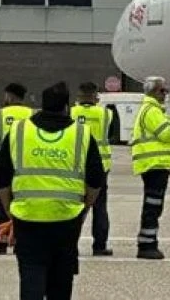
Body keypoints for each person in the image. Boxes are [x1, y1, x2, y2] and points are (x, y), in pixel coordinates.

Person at [0, 82, 104, 300]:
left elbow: (2, 179)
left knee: (30, 274)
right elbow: (95, 180)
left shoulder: (18, 130)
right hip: (67, 218)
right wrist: (84, 210)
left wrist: (11, 212)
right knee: (62, 279)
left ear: (41, 106)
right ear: (67, 107)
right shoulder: (81, 134)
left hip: (27, 218)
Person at [131, 76, 170, 260]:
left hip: (154, 164)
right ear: (154, 91)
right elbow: (167, 134)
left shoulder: (152, 110)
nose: (166, 94)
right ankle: (147, 245)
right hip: (154, 165)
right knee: (152, 206)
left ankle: (147, 241)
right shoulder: (151, 110)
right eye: (163, 90)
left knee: (154, 205)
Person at [0, 82, 31, 255]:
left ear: (10, 96)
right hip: (24, 165)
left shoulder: (0, 115)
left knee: (0, 203)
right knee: (22, 202)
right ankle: (20, 238)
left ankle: (2, 240)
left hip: (4, 165)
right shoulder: (30, 114)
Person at [70, 82, 114, 256]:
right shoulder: (105, 113)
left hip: (77, 165)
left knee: (76, 206)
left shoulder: (72, 113)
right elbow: (110, 134)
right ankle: (99, 245)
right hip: (101, 166)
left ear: (79, 97)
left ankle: (71, 243)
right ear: (96, 97)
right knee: (99, 206)